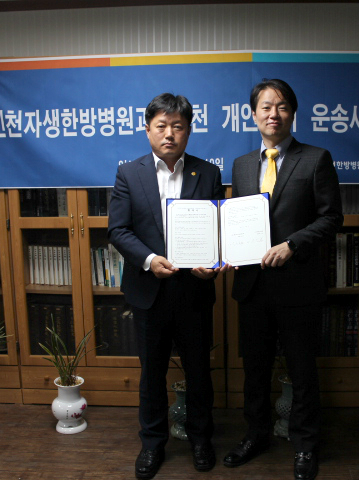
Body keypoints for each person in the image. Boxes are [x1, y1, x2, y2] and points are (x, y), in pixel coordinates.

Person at [222, 79, 343, 480]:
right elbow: (237, 220)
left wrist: (293, 244)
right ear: (253, 114)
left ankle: (305, 445)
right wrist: (226, 251)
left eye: (282, 106)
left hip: (298, 284)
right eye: (265, 107)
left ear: (292, 113)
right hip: (252, 285)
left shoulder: (316, 158)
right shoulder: (241, 165)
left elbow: (332, 218)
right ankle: (255, 435)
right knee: (255, 370)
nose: (273, 114)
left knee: (302, 370)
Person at [108, 93, 225, 479]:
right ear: (148, 130)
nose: (169, 134)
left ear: (188, 131)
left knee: (199, 371)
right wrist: (148, 260)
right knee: (152, 374)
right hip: (149, 291)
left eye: (178, 126)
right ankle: (152, 444)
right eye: (161, 126)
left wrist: (212, 265)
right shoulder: (129, 173)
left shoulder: (207, 173)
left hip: (194, 291)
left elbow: (218, 231)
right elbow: (118, 229)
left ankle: (201, 439)